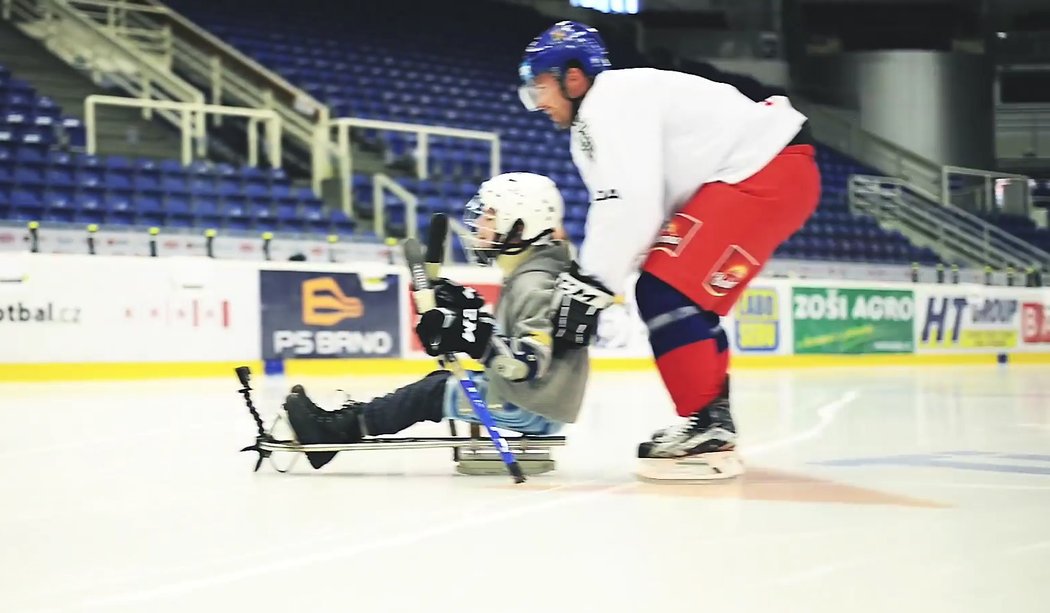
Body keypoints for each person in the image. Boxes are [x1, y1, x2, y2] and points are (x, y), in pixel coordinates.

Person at [518, 21, 822, 481]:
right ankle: (711, 420)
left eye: (541, 86)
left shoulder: (608, 105)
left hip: (764, 171)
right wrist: (595, 281)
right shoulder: (606, 108)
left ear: (573, 78)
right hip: (770, 170)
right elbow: (633, 209)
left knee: (665, 292)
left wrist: (591, 286)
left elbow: (629, 205)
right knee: (676, 293)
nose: (538, 102)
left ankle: (708, 426)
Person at [282, 172, 588, 469]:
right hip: (536, 400)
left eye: (490, 216)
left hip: (531, 407)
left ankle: (335, 431)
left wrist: (471, 334)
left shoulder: (534, 283)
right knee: (436, 383)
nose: (480, 224)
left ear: (520, 226)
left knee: (430, 395)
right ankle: (344, 423)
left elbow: (526, 363)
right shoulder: (531, 273)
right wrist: (464, 308)